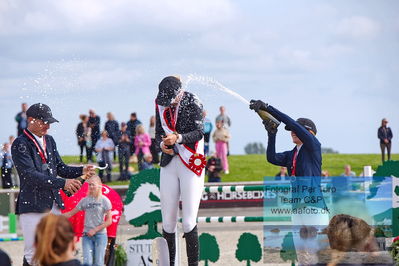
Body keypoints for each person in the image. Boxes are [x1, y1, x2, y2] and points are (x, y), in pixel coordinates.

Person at [11, 103, 95, 266]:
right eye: (44, 122)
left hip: (53, 204)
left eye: (49, 122)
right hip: (32, 205)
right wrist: (62, 183)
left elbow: (60, 168)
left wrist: (81, 170)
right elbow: (30, 176)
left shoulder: (49, 140)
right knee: (33, 252)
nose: (48, 126)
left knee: (55, 249)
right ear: (30, 120)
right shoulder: (20, 144)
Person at [250, 99, 328, 265]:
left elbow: (290, 122)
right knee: (302, 255)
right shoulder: (292, 154)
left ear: (310, 134)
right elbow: (271, 157)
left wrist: (268, 108)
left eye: (296, 130)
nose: (291, 131)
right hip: (297, 208)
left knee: (317, 254)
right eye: (290, 131)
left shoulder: (313, 146)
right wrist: (272, 134)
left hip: (314, 208)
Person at [155, 76, 205, 266]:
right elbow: (158, 131)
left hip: (191, 160)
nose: (166, 105)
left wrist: (178, 138)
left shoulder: (193, 101)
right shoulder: (159, 102)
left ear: (179, 93)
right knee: (167, 222)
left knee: (188, 221)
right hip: (170, 160)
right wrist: (162, 144)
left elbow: (199, 133)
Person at [64, 176, 112, 266]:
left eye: (93, 185)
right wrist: (55, 217)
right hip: (87, 235)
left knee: (98, 263)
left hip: (100, 235)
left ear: (99, 185)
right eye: (89, 185)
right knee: (87, 263)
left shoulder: (104, 200)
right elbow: (71, 213)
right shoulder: (85, 201)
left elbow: (109, 221)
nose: (91, 187)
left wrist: (95, 230)